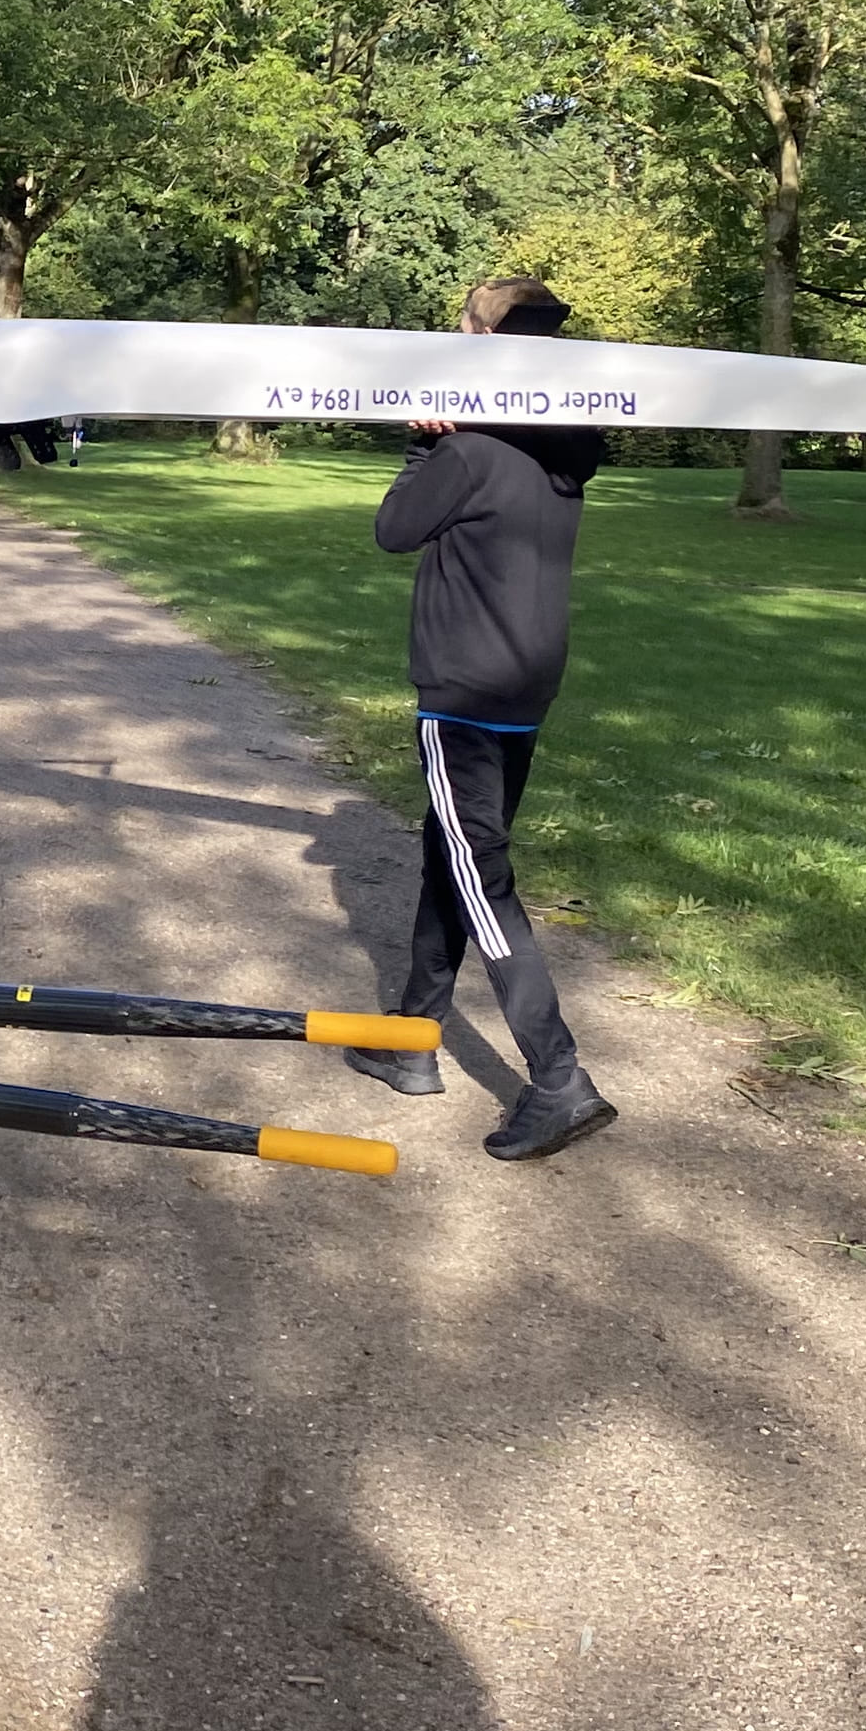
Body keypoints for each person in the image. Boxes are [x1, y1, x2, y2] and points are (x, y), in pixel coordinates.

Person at [355, 275, 619, 1161]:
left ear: (486, 343)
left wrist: (426, 448)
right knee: (452, 852)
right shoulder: (568, 443)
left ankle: (558, 1078)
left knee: (480, 874)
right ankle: (412, 1041)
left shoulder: (467, 451)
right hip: (527, 679)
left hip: (465, 684)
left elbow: (394, 529)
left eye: (463, 326)